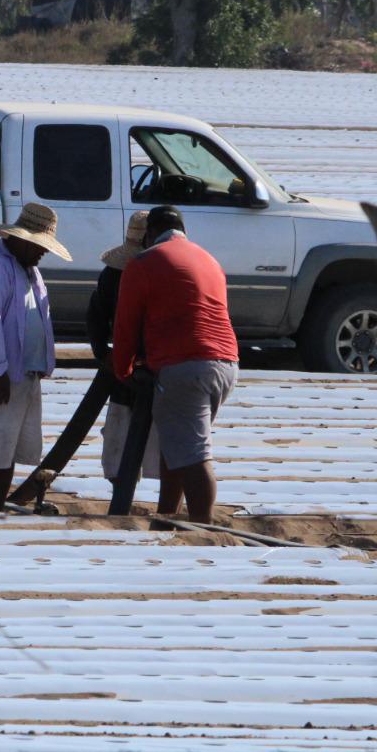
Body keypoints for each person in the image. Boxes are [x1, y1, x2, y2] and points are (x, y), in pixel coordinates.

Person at [110, 205, 239, 524]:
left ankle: (202, 527)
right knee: (179, 445)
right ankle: (167, 516)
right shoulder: (209, 260)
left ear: (150, 235)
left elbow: (126, 325)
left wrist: (122, 369)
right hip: (226, 363)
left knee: (194, 456)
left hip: (186, 365)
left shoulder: (143, 263)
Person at [0, 203, 70, 511]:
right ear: (19, 240)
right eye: (38, 246)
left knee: (4, 449)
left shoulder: (29, 271)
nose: (42, 253)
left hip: (22, 375)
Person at [90, 210, 159, 483]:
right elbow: (96, 314)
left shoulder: (157, 274)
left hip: (154, 365)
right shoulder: (112, 276)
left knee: (157, 438)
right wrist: (103, 352)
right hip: (123, 364)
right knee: (120, 427)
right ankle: (121, 485)